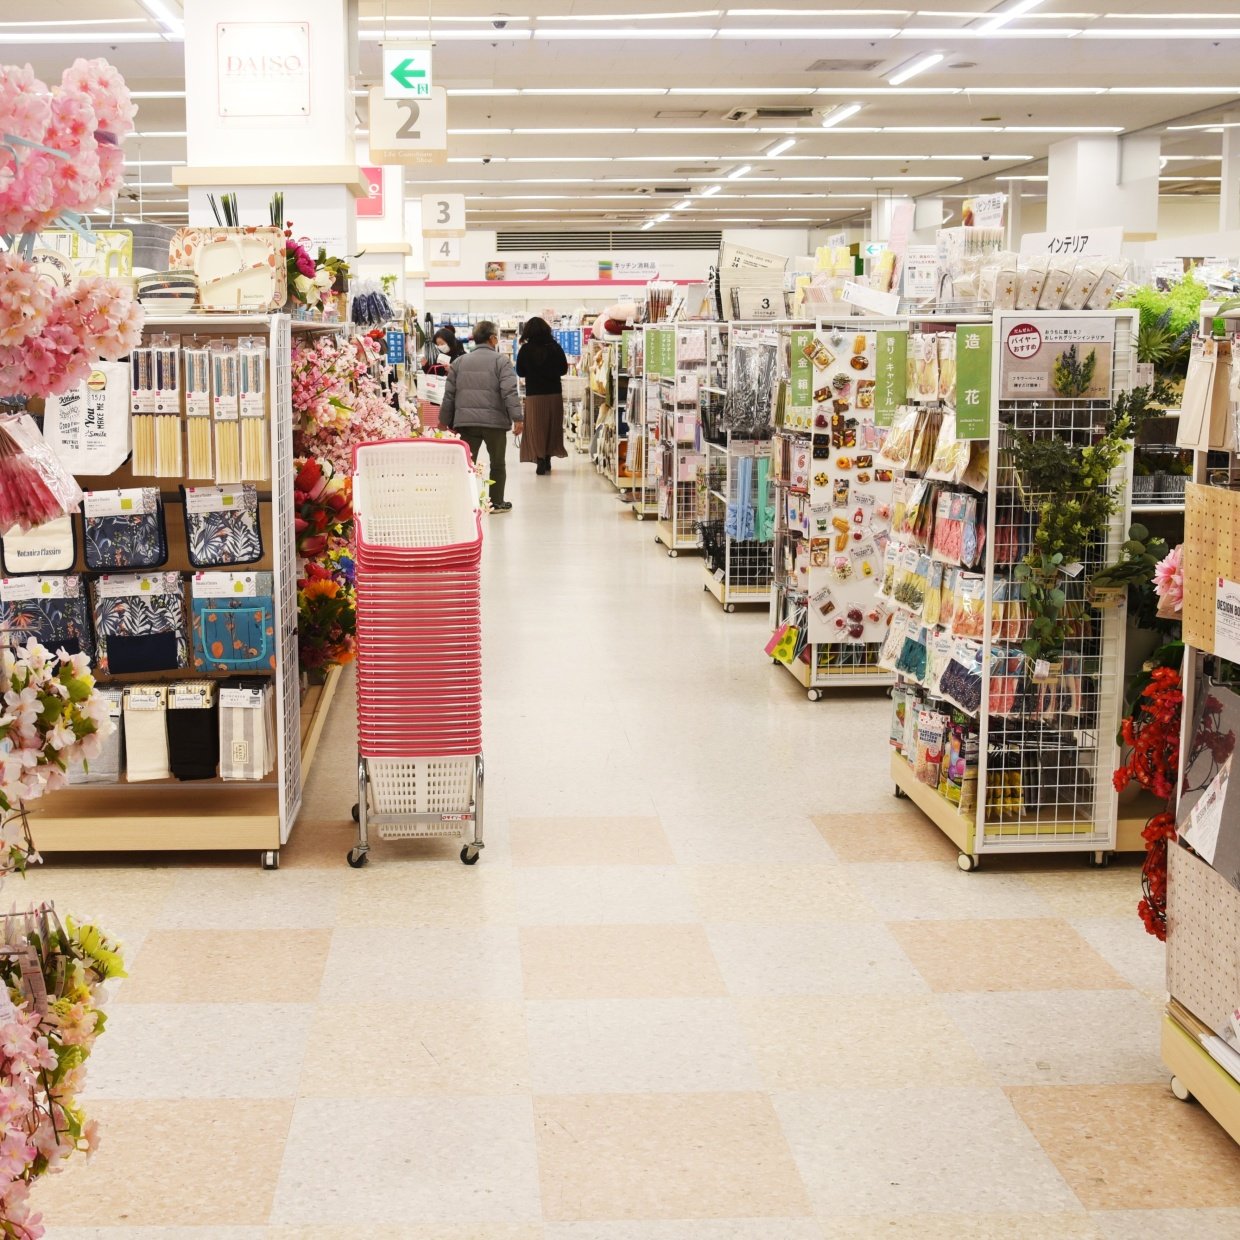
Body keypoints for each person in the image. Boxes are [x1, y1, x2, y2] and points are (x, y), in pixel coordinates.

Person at [439, 320, 522, 514]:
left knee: (466, 464)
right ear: (492, 338)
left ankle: (463, 503)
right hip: (495, 423)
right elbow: (509, 392)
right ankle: (496, 503)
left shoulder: (459, 363)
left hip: (466, 423)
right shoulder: (501, 361)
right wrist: (517, 418)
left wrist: (443, 420)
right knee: (497, 463)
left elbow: (449, 395)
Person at [515, 316, 569, 475]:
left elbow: (520, 371)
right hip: (554, 394)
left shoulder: (525, 349)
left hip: (534, 395)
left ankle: (539, 459)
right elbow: (563, 370)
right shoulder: (555, 347)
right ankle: (548, 457)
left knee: (536, 427)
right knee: (552, 426)